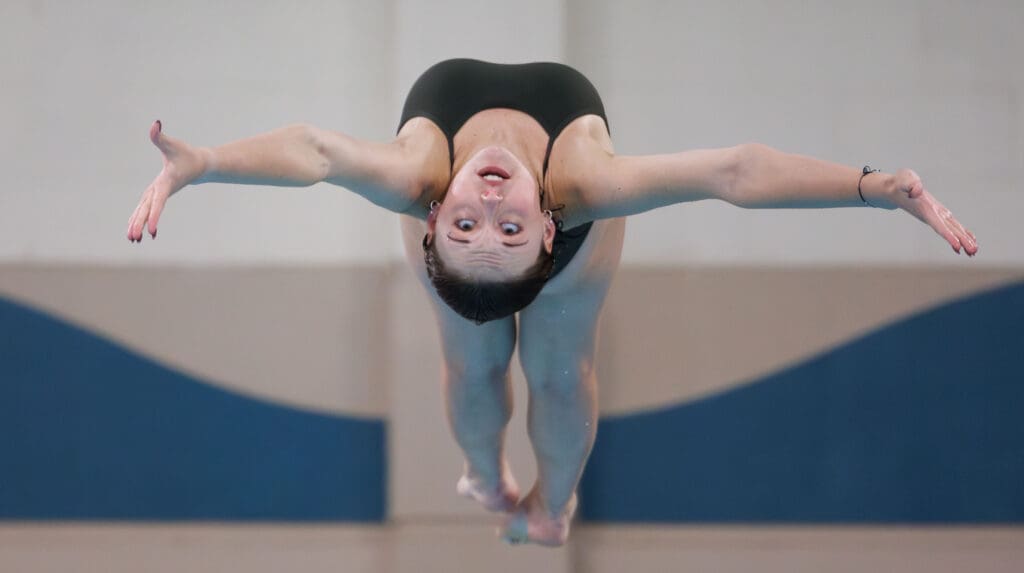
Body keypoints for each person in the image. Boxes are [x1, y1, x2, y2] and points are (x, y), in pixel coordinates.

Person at [126, 59, 978, 546]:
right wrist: (873, 187)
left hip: (472, 141)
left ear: (434, 220)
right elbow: (734, 172)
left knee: (555, 368)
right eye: (499, 224)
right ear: (539, 230)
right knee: (478, 356)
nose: (490, 205)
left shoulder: (421, 179)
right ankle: (489, 474)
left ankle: (552, 503)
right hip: (557, 236)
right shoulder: (569, 193)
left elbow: (313, 150)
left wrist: (204, 163)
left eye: (473, 221)